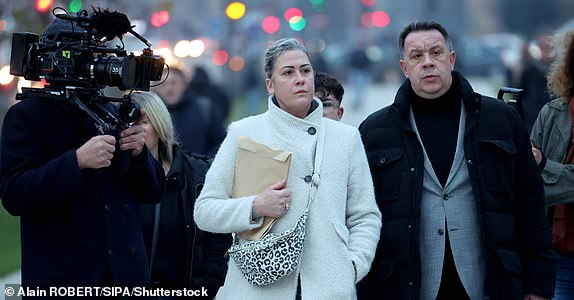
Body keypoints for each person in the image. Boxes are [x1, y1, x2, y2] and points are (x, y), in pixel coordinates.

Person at [358, 20, 555, 299]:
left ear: (451, 59)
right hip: (409, 286)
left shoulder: (501, 120)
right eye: (416, 55)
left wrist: (538, 288)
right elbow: (364, 220)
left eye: (436, 52)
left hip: (491, 284)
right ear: (404, 67)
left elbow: (531, 207)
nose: (427, 62)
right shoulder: (375, 131)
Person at [193, 38, 381, 299]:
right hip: (256, 289)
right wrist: (255, 207)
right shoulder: (244, 132)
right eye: (288, 73)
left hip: (329, 290)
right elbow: (204, 211)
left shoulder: (346, 138)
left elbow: (365, 216)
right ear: (270, 85)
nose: (300, 79)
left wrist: (352, 267)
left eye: (306, 70)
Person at [0, 18, 163, 291]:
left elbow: (153, 192)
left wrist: (138, 155)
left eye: (101, 55)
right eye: (91, 56)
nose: (99, 63)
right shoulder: (26, 116)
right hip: (65, 280)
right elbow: (14, 194)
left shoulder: (110, 111)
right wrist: (76, 162)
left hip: (125, 281)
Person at [132, 91, 231, 299]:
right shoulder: (111, 178)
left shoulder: (197, 175)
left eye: (143, 123)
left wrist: (199, 290)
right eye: (129, 124)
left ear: (159, 126)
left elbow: (218, 243)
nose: (135, 131)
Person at [530, 30, 574, 300]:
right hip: (558, 255)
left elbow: (539, 171)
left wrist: (543, 165)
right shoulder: (552, 113)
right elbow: (529, 186)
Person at [152, 62, 226, 157]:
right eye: (163, 85)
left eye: (173, 83)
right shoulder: (153, 115)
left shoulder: (204, 107)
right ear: (157, 89)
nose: (169, 89)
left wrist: (206, 164)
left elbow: (220, 142)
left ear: (184, 84)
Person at [517, 30, 554, 134]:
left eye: (548, 46)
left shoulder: (557, 68)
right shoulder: (530, 68)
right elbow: (521, 90)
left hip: (551, 115)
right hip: (533, 116)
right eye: (543, 46)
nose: (546, 49)